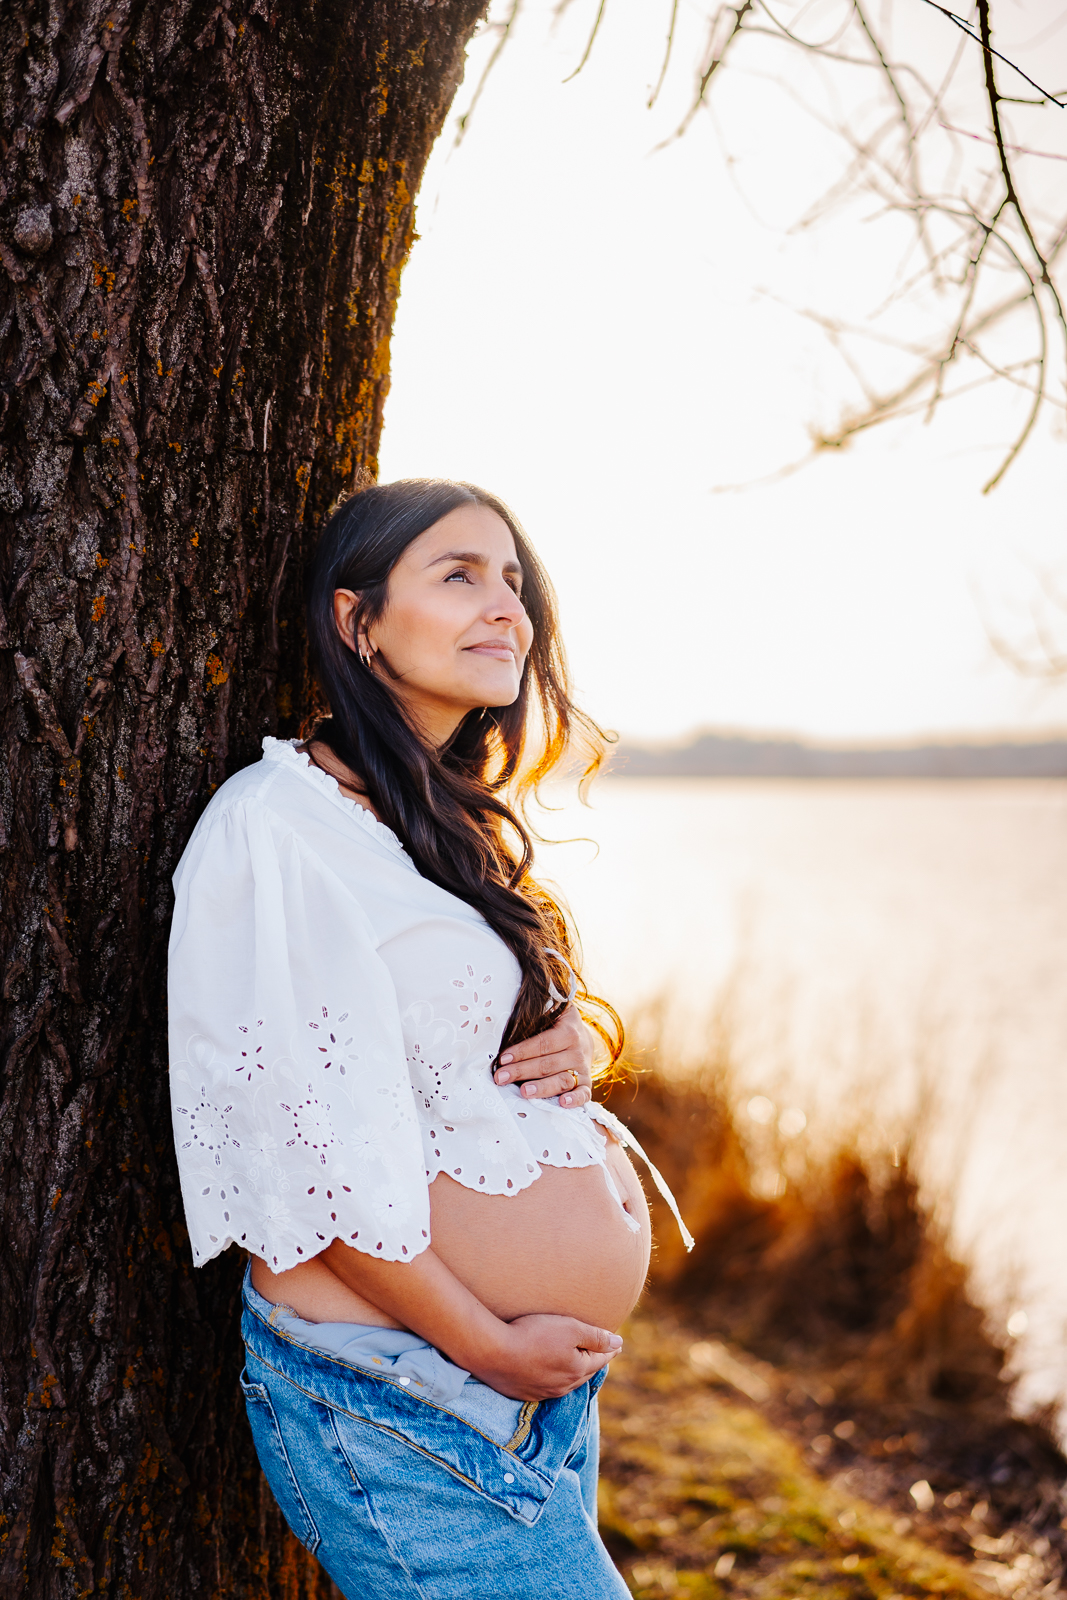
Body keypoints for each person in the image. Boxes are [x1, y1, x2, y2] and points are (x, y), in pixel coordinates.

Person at [168, 479, 691, 1599]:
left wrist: (564, 1045)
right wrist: (486, 1347)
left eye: (512, 582)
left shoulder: (430, 820)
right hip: (405, 1391)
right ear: (357, 623)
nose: (504, 606)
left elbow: (446, 1056)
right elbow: (294, 1162)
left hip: (503, 1389)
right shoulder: (276, 827)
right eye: (457, 575)